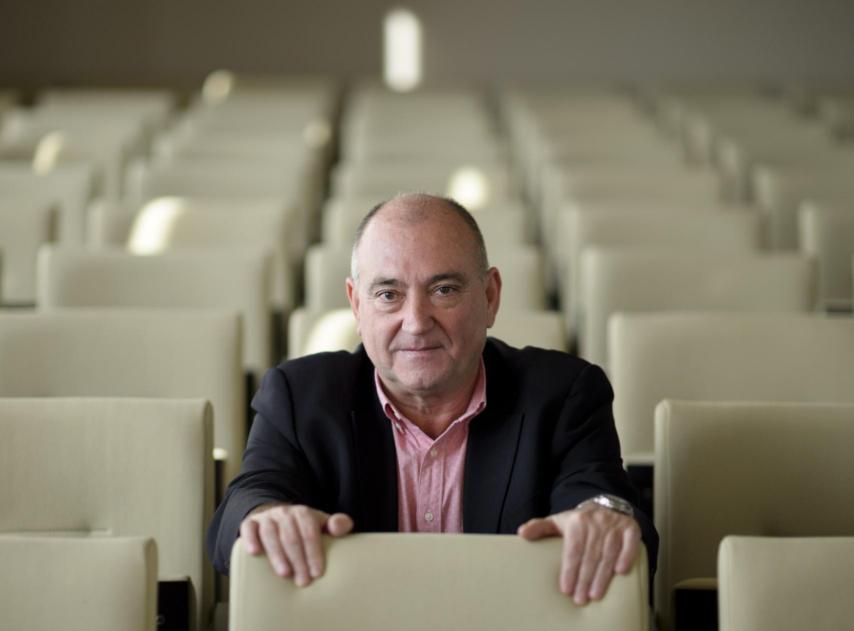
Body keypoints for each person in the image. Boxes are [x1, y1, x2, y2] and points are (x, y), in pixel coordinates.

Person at [207, 193, 657, 605]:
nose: (416, 322)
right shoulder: (299, 396)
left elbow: (606, 501)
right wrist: (266, 516)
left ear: (490, 296)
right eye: (388, 294)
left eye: (444, 290)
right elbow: (242, 506)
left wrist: (602, 516)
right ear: (356, 305)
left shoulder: (563, 393)